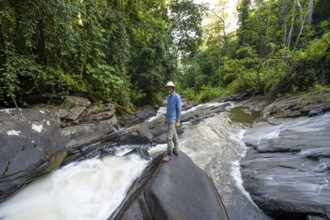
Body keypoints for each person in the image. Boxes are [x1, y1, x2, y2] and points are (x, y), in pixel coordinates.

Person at [165, 81, 181, 156]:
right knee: (174, 135)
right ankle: (176, 149)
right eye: (168, 87)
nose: (169, 88)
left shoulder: (177, 96)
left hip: (173, 120)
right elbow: (168, 109)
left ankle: (169, 154)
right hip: (169, 120)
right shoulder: (168, 97)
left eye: (170, 87)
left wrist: (178, 121)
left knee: (169, 137)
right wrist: (166, 118)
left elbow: (179, 109)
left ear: (173, 88)